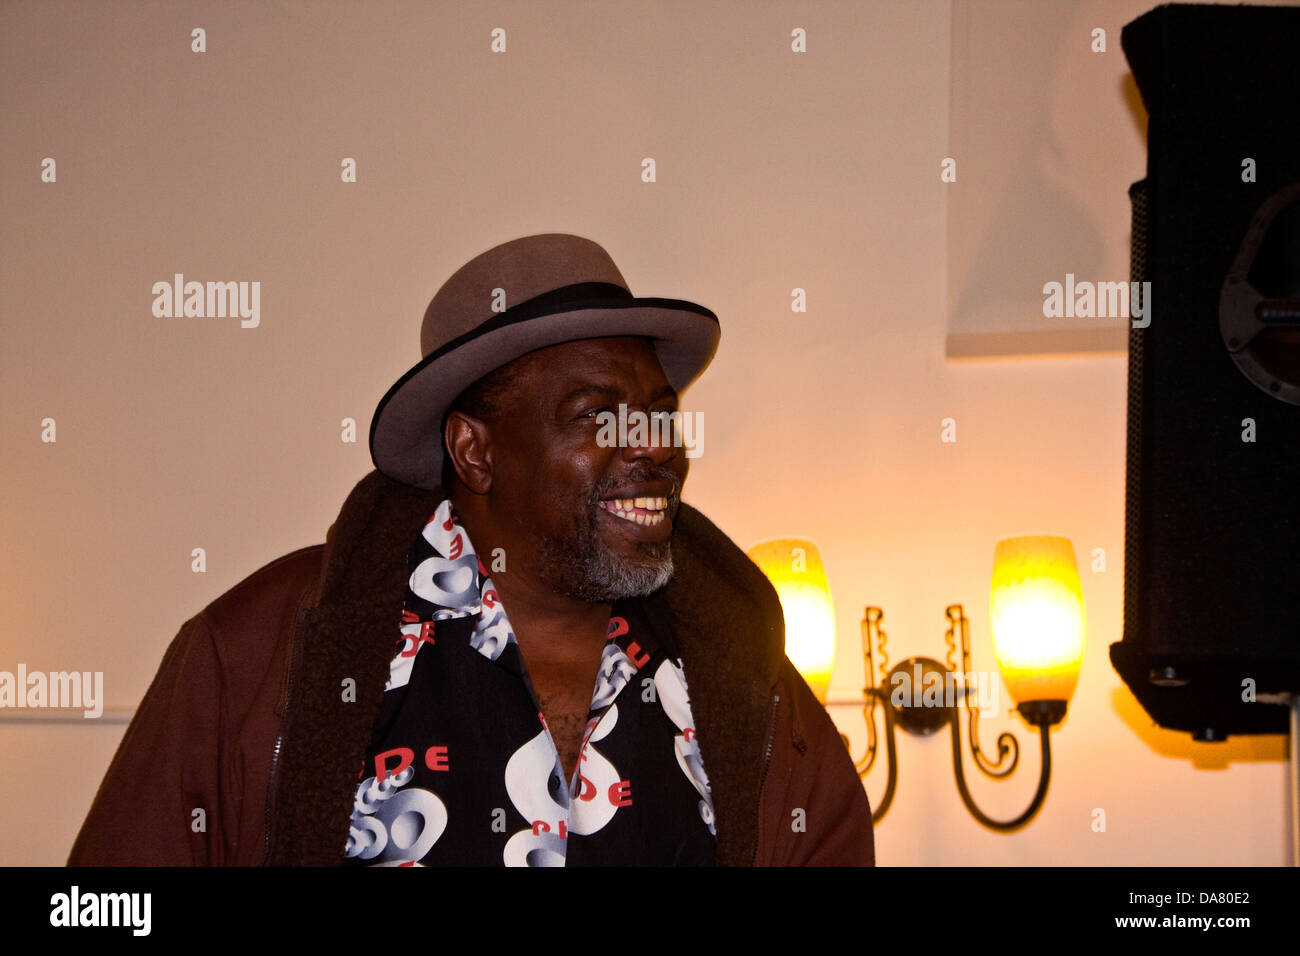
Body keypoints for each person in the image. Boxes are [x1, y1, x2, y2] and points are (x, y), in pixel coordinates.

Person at [68, 233, 874, 866]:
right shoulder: (257, 654)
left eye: (659, 413)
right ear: (475, 452)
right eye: (598, 414)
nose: (653, 446)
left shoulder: (746, 682)